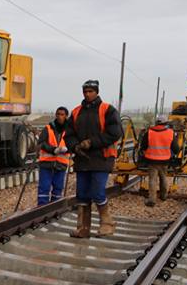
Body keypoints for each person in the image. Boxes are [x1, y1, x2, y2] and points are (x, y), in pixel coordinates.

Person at [64, 79, 123, 238]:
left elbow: (115, 132)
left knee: (97, 192)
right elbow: (68, 134)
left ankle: (107, 224)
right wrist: (75, 146)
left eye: (90, 91)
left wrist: (91, 142)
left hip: (101, 159)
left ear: (97, 92)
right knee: (82, 194)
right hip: (83, 159)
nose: (87, 94)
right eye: (85, 91)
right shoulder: (76, 112)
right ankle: (83, 228)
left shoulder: (108, 110)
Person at [139, 114, 180, 207]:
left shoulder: (149, 132)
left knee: (152, 179)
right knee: (163, 177)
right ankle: (163, 196)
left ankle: (152, 199)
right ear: (166, 123)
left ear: (156, 123)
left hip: (152, 160)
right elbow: (176, 149)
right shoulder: (170, 132)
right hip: (165, 160)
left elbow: (143, 146)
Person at [37, 107, 70, 205]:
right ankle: (42, 210)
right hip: (46, 163)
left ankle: (55, 209)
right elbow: (41, 143)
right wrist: (53, 149)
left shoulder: (69, 130)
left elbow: (73, 143)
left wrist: (68, 148)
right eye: (58, 114)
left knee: (58, 188)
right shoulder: (48, 128)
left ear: (66, 116)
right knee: (44, 188)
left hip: (61, 164)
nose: (60, 116)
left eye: (62, 114)